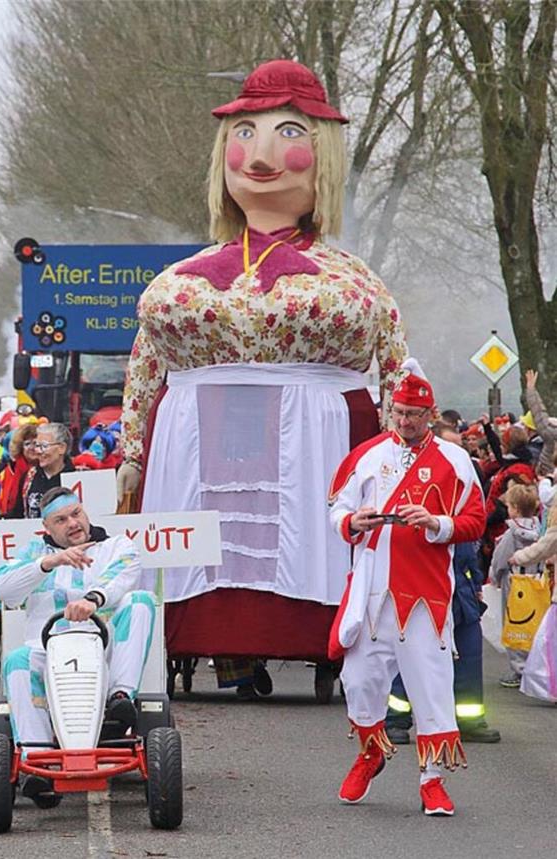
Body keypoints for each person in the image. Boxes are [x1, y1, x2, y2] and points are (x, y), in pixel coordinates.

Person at [117, 60, 406, 696]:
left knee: (304, 525)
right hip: (201, 432)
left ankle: (331, 638)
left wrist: (401, 459)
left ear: (322, 154)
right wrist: (132, 451)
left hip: (318, 432)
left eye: (288, 133)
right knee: (211, 532)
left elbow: (393, 363)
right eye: (244, 133)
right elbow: (146, 364)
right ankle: (214, 644)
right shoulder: (185, 275)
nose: (261, 153)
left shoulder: (351, 279)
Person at [328, 360, 484, 817]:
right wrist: (352, 522)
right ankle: (370, 751)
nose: (404, 421)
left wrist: (437, 523)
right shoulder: (368, 454)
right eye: (398, 413)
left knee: (431, 688)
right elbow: (337, 508)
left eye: (413, 415)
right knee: (358, 681)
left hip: (426, 594)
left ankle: (431, 780)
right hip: (373, 590)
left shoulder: (456, 461)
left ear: (429, 414)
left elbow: (473, 521)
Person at [0, 486, 156, 803]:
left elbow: (126, 574)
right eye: (61, 520)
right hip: (48, 648)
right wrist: (49, 563)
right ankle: (36, 761)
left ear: (85, 512)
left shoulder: (116, 545)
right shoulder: (34, 553)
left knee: (141, 600)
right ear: (47, 528)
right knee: (17, 661)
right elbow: (2, 588)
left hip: (103, 646)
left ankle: (120, 696)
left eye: (76, 514)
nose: (72, 523)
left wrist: (93, 600)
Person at [385, 423, 500, 744]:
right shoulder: (413, 487)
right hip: (421, 585)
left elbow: (471, 542)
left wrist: (475, 583)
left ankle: (469, 720)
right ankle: (396, 719)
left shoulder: (464, 484)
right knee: (411, 653)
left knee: (468, 653)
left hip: (460, 587)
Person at [489, 482, 543, 688]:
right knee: (531, 625)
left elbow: (501, 558)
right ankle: (531, 665)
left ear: (516, 509)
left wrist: (494, 576)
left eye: (510, 506)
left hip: (513, 583)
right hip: (535, 581)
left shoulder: (511, 533)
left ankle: (518, 668)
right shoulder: (539, 529)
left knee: (513, 624)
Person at [16, 423, 74, 519]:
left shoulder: (77, 476)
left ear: (61, 448)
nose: (38, 451)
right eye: (37, 446)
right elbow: (17, 514)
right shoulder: (29, 477)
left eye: (44, 446)